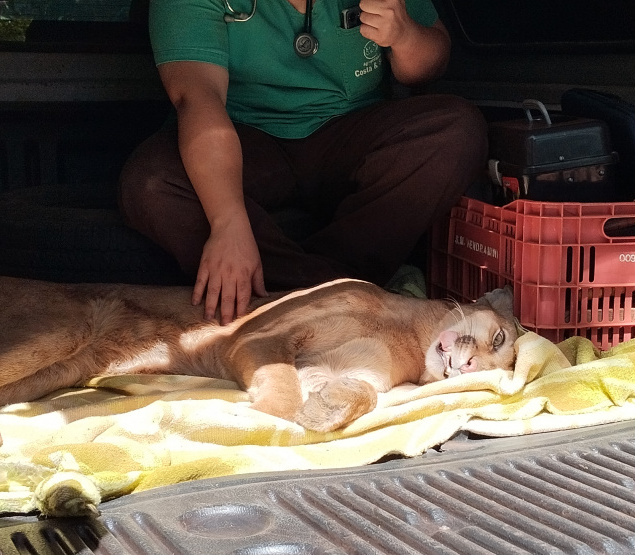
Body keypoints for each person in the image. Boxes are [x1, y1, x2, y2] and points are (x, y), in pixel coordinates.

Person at [118, 0, 488, 325]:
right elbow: (198, 100)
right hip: (243, 140)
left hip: (349, 133)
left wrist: (405, 35)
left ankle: (307, 296)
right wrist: (226, 220)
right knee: (152, 181)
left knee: (457, 128)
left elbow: (430, 63)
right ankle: (345, 300)